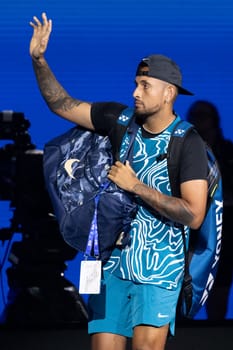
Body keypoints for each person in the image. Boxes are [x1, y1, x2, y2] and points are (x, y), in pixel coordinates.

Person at [29, 13, 208, 350]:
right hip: (109, 260)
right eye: (135, 83)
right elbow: (61, 104)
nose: (135, 92)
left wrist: (136, 185)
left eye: (145, 86)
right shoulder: (119, 119)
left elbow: (193, 214)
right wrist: (39, 60)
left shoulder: (188, 143)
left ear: (169, 93)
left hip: (158, 270)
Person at [186, 100, 233, 321]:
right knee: (187, 281)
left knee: (220, 283)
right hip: (189, 228)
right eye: (194, 115)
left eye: (202, 115)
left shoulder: (229, 152)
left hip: (226, 229)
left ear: (214, 120)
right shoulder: (181, 152)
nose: (198, 120)